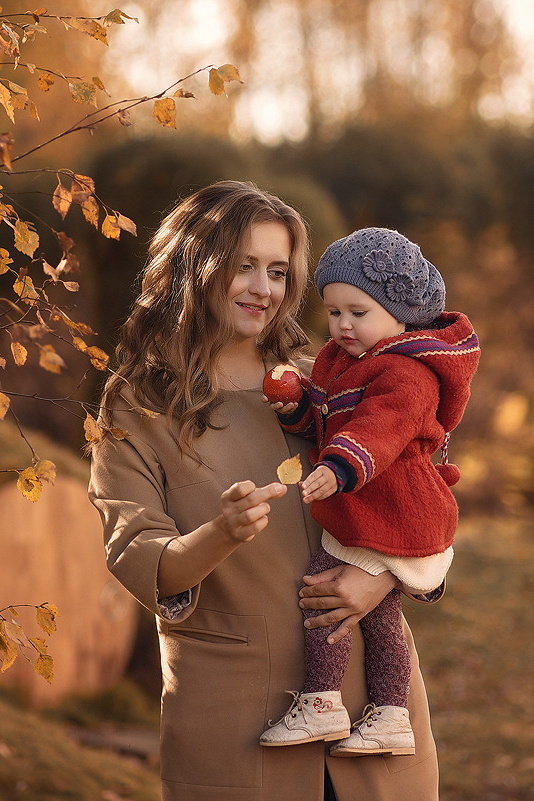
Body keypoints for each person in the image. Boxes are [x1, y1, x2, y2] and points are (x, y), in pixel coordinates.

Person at [89, 183, 442, 801]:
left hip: (374, 718)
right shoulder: (138, 403)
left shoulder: (326, 376)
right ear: (194, 267)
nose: (264, 288)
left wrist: (382, 578)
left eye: (278, 271)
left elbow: (424, 492)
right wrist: (220, 534)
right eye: (243, 266)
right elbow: (139, 557)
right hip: (237, 722)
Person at [260, 228, 480, 758]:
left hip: (396, 505)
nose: (343, 326)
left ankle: (322, 702)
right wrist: (297, 405)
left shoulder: (408, 372)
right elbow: (333, 417)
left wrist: (338, 468)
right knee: (380, 615)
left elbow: (378, 429)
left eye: (358, 312)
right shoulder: (345, 360)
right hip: (376, 504)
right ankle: (389, 714)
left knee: (324, 588)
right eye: (334, 313)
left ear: (400, 310)